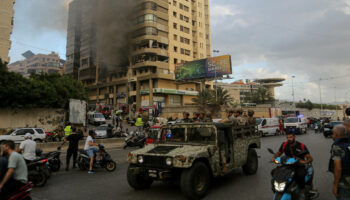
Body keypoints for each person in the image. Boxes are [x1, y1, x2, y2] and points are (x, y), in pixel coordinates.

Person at [270, 132, 313, 199]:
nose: (289, 139)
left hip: (298, 165)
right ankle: (276, 189)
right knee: (274, 172)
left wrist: (304, 162)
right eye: (287, 137)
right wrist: (274, 157)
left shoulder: (301, 146)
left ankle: (302, 192)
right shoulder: (284, 144)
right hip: (287, 165)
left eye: (290, 137)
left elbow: (310, 158)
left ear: (294, 137)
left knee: (300, 175)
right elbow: (279, 153)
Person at [329, 125, 350, 199]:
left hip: (345, 183)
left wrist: (335, 185)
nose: (332, 135)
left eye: (333, 133)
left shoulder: (337, 146)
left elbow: (338, 168)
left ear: (336, 133)